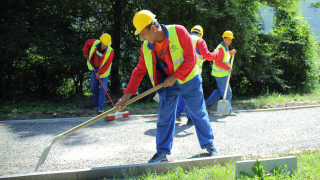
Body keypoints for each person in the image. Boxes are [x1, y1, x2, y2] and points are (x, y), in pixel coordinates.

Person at [116, 10, 219, 163]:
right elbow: (139, 71)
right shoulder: (146, 47)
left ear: (152, 28)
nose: (142, 38)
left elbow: (191, 59)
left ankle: (210, 146)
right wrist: (125, 96)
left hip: (189, 79)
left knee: (198, 112)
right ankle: (162, 153)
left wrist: (175, 77)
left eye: (143, 33)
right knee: (164, 117)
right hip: (166, 84)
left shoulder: (179, 31)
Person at [176, 25, 220, 125]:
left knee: (182, 95)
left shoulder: (184, 38)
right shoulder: (200, 41)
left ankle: (176, 115)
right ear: (201, 34)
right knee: (192, 97)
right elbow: (208, 56)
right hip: (193, 74)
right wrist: (215, 54)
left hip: (181, 72)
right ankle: (190, 118)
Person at [205, 31, 236, 115]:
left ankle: (205, 106)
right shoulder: (221, 48)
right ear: (224, 38)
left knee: (218, 91)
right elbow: (217, 62)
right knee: (228, 93)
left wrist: (230, 53)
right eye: (228, 39)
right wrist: (228, 67)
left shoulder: (224, 47)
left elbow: (224, 57)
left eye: (231, 39)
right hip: (221, 75)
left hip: (221, 74)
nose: (230, 41)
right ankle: (228, 111)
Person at [83, 33, 114, 113]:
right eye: (103, 44)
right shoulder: (94, 42)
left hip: (104, 71)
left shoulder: (110, 51)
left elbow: (107, 65)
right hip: (94, 68)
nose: (104, 46)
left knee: (103, 89)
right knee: (93, 87)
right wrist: (85, 53)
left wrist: (99, 72)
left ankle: (101, 107)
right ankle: (95, 104)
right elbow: (87, 43)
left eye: (106, 45)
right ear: (100, 42)